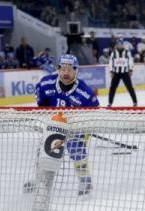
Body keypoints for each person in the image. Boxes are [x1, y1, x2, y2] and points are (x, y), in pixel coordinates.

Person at [26, 54, 99, 196]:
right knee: (45, 150)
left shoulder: (85, 93)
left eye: (70, 69)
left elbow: (93, 115)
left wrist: (80, 127)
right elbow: (42, 106)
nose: (66, 72)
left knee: (75, 148)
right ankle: (39, 179)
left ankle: (85, 180)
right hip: (55, 124)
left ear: (76, 70)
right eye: (63, 68)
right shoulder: (45, 84)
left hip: (77, 126)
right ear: (58, 69)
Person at [107, 39, 137, 107]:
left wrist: (130, 69)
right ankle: (110, 103)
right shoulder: (113, 53)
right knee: (112, 88)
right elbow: (111, 62)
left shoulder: (127, 52)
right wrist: (111, 71)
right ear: (116, 45)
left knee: (130, 87)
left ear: (123, 45)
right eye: (118, 44)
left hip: (125, 73)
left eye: (121, 44)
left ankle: (135, 102)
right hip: (116, 73)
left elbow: (130, 61)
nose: (120, 45)